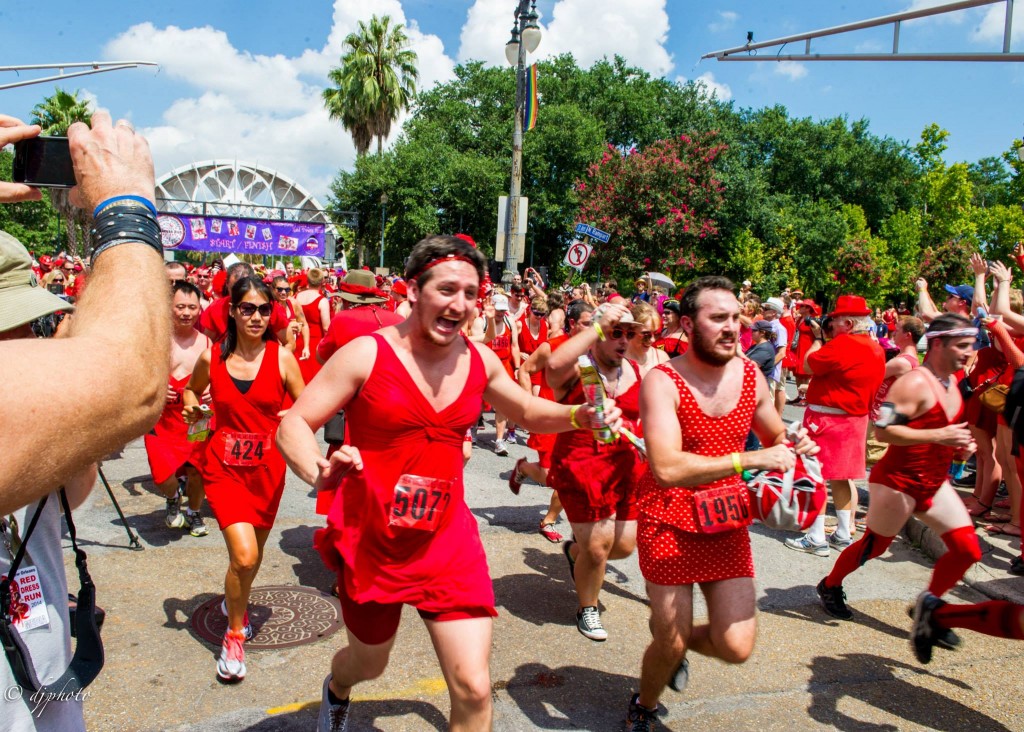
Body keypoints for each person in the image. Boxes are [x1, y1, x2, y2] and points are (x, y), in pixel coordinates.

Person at [274, 235, 618, 732]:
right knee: (369, 663)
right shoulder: (366, 355)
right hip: (375, 540)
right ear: (413, 291)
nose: (459, 304)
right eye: (447, 289)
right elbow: (293, 425)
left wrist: (577, 415)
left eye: (471, 292)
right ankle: (337, 688)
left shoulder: (480, 360)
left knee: (475, 689)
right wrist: (316, 469)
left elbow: (524, 411)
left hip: (446, 540)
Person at [1, 111, 170, 730]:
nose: (33, 338)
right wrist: (125, 209)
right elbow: (135, 384)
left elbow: (72, 489)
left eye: (33, 321)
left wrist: (77, 414)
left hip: (42, 676)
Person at [627, 276, 816, 730]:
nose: (731, 327)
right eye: (718, 319)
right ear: (689, 325)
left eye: (735, 318)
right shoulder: (662, 380)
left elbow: (775, 434)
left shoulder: (751, 376)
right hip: (668, 519)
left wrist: (795, 440)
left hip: (726, 519)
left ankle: (672, 649)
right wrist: (753, 457)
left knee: (736, 646)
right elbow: (667, 468)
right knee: (668, 641)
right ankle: (645, 705)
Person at [183, 276, 304, 682]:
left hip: (268, 472)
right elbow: (189, 393)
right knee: (245, 556)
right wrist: (192, 411)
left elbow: (308, 406)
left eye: (264, 309)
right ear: (232, 311)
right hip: (223, 469)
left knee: (250, 558)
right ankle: (235, 633)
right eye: (248, 308)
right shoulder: (210, 358)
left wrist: (297, 420)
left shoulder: (282, 357)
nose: (256, 316)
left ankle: (234, 600)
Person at [544, 301, 644, 642]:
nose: (623, 340)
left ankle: (575, 553)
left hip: (625, 469)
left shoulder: (637, 370)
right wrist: (597, 326)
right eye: (616, 332)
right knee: (600, 546)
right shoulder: (578, 369)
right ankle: (588, 606)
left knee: (624, 546)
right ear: (599, 334)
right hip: (582, 466)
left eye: (628, 333)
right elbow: (553, 363)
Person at [785, 296, 886, 556]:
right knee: (841, 479)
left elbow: (808, 363)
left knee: (815, 478)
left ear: (849, 323)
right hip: (854, 420)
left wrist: (818, 338)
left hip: (828, 420)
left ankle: (816, 537)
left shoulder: (844, 344)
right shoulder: (875, 347)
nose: (831, 324)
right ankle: (842, 533)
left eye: (836, 321)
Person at [144, 280, 212, 537]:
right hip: (161, 417)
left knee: (197, 470)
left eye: (192, 307)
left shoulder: (206, 343)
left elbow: (218, 378)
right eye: (180, 307)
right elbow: (136, 376)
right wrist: (157, 387)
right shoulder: (155, 341)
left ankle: (194, 512)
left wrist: (210, 390)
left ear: (199, 309)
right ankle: (173, 497)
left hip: (198, 415)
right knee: (162, 473)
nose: (186, 313)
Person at [197, 262, 290, 345]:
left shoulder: (270, 308)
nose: (240, 294)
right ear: (227, 284)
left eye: (244, 289)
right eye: (235, 289)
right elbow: (207, 344)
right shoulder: (216, 308)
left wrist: (272, 362)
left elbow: (289, 343)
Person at [486, 292, 521, 456]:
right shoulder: (482, 321)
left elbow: (514, 345)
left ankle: (499, 440)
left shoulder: (510, 321)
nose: (500, 313)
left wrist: (517, 367)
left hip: (504, 365)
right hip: (485, 364)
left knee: (502, 403)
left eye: (502, 310)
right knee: (477, 402)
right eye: (498, 310)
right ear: (491, 306)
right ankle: (469, 431)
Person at [295, 268, 331, 383]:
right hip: (315, 343)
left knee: (298, 375)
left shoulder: (296, 297)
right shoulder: (322, 301)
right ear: (322, 282)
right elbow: (326, 327)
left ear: (308, 280)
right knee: (314, 378)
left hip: (299, 339)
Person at [626, 301, 670, 376]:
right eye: (646, 334)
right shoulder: (618, 359)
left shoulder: (662, 358)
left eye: (656, 334)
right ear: (631, 330)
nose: (652, 340)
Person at [271, 274, 309, 359]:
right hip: (275, 350)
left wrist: (306, 347)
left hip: (293, 349)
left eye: (287, 289)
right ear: (273, 290)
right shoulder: (269, 306)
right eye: (280, 289)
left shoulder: (294, 303)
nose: (284, 292)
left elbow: (304, 325)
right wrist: (288, 327)